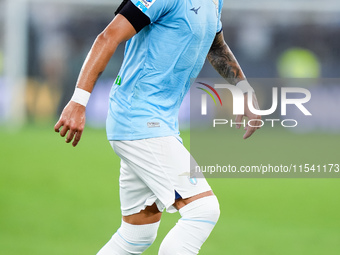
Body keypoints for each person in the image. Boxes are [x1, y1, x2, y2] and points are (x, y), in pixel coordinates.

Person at [54, 0, 261, 254]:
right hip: (138, 117)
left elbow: (216, 48)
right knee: (203, 211)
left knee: (137, 234)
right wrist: (78, 101)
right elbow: (107, 36)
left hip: (157, 121)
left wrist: (244, 90)